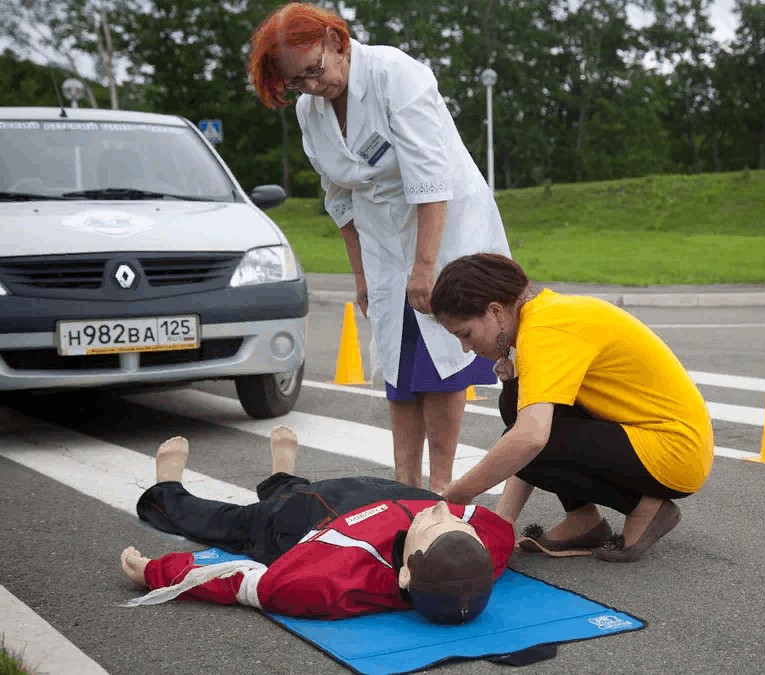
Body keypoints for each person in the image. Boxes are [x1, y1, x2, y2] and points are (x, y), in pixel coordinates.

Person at [247, 3, 511, 494]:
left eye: (314, 70)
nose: (311, 85)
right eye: (297, 81)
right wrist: (363, 276)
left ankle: (439, 491)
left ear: (336, 41)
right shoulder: (312, 110)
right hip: (383, 244)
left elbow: (433, 180)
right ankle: (403, 485)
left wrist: (426, 267)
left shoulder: (396, 75)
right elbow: (339, 198)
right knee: (399, 366)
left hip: (444, 230)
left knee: (440, 360)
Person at [430, 254, 715, 563]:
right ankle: (583, 520)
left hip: (674, 451)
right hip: (663, 440)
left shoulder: (545, 329)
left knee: (524, 433)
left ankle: (646, 508)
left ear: (495, 311)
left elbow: (529, 440)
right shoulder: (545, 315)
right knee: (516, 404)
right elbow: (526, 437)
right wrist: (502, 526)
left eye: (466, 334)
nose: (466, 348)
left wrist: (457, 495)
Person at [121, 427, 515, 623]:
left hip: (300, 523)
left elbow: (241, 583)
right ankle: (282, 474)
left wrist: (157, 574)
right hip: (372, 492)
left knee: (224, 520)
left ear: (406, 573)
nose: (444, 509)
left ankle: (166, 488)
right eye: (458, 524)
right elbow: (498, 532)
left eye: (435, 524)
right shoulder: (489, 543)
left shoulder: (328, 582)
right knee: (301, 490)